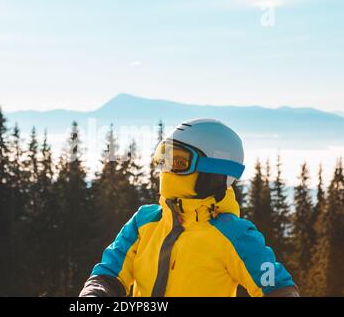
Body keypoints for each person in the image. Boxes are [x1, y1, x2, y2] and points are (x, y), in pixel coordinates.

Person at [79, 118, 299, 297]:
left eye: (178, 162)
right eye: (163, 158)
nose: (166, 170)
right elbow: (109, 274)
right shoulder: (144, 222)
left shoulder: (234, 234)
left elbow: (278, 289)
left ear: (213, 172)